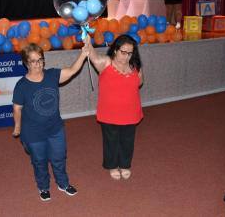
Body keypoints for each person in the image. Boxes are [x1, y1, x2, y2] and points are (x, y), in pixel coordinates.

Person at [12, 42, 88, 201]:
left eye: (40, 59)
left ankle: (63, 183)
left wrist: (83, 53)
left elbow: (73, 70)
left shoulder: (52, 75)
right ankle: (43, 187)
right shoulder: (21, 85)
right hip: (33, 132)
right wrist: (17, 127)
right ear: (26, 63)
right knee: (39, 162)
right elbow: (17, 108)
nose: (37, 64)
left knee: (59, 157)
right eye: (33, 61)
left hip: (55, 128)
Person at [86, 34, 143, 180]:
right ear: (116, 50)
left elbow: (140, 83)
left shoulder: (135, 65)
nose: (126, 56)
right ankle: (112, 165)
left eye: (130, 53)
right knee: (111, 140)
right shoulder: (105, 63)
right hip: (109, 113)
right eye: (123, 52)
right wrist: (87, 40)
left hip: (130, 112)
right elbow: (92, 55)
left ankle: (125, 164)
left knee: (127, 140)